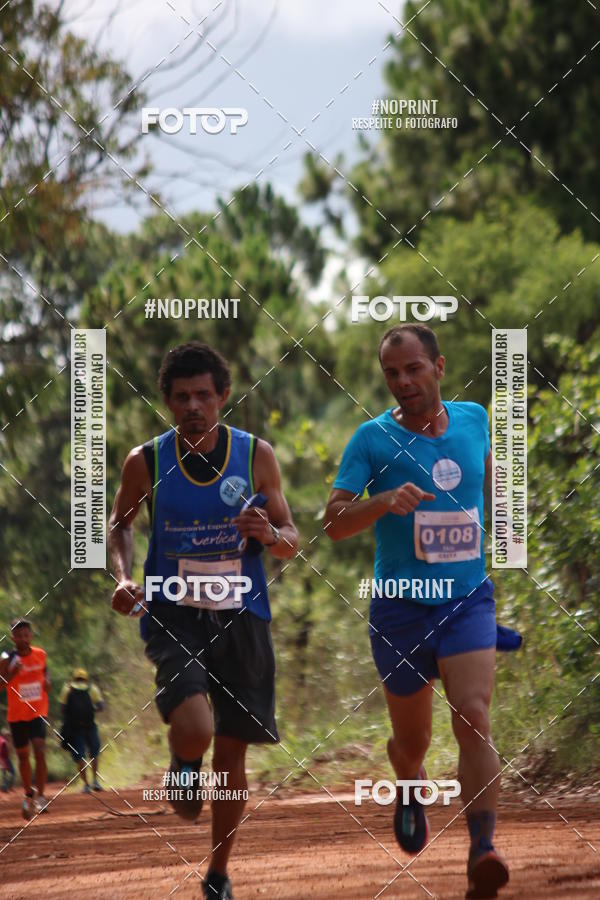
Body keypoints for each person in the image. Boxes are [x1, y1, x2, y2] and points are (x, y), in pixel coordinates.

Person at [324, 324, 509, 900]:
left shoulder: (476, 419)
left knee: (474, 716)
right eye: (391, 373)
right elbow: (332, 524)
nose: (403, 381)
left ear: (439, 367)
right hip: (399, 609)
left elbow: (492, 488)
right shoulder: (371, 440)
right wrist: (381, 502)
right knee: (413, 741)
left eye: (413, 369)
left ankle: (483, 849)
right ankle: (409, 784)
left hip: (466, 601)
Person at [108, 342, 298, 900]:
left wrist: (269, 534)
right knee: (196, 730)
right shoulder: (145, 461)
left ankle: (218, 872)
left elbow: (291, 537)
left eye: (204, 395)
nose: (194, 405)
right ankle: (183, 758)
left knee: (233, 754)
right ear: (167, 401)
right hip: (174, 611)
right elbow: (119, 524)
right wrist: (122, 576)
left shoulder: (256, 455)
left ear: (222, 397)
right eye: (182, 396)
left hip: (242, 613)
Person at [0, 618, 51, 818]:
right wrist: (13, 673)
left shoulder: (40, 654)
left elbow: (46, 676)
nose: (23, 639)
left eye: (26, 635)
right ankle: (28, 793)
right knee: (23, 756)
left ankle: (40, 797)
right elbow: (1, 684)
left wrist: (47, 683)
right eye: (19, 636)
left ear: (31, 635)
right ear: (13, 637)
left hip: (37, 712)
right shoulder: (7, 658)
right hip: (17, 715)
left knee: (39, 750)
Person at [59, 667, 104, 793]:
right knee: (94, 754)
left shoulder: (67, 688)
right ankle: (95, 781)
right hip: (90, 726)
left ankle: (86, 785)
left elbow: (62, 709)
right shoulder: (92, 689)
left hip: (75, 728)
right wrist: (90, 709)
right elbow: (101, 706)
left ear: (74, 678)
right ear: (86, 679)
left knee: (80, 756)